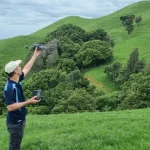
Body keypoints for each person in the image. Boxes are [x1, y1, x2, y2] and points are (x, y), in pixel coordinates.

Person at [3, 47, 41, 150]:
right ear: (15, 71)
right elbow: (10, 107)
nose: (20, 67)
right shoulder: (11, 87)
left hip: (20, 120)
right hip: (15, 123)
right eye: (18, 66)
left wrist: (35, 55)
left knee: (16, 145)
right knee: (14, 147)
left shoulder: (16, 80)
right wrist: (28, 101)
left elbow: (27, 68)